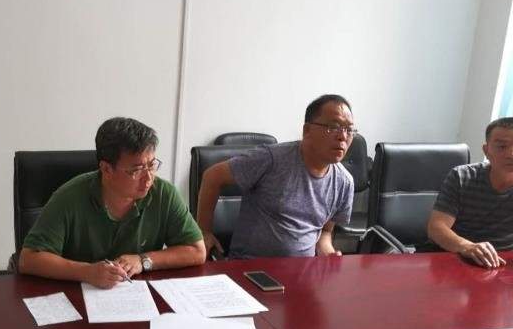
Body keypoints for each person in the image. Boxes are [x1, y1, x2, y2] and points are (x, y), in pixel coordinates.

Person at [18, 117, 206, 288]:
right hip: (78, 295)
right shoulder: (68, 197)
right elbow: (29, 259)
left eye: (151, 165)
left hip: (136, 295)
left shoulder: (164, 193)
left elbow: (197, 251)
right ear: (106, 169)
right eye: (137, 170)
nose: (148, 178)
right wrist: (87, 272)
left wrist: (143, 260)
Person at [196, 94, 355, 258]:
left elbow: (325, 232)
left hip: (303, 270)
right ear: (307, 130)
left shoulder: (344, 182)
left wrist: (328, 253)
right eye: (333, 127)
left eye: (349, 130)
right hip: (252, 266)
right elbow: (212, 176)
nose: (343, 136)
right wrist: (204, 232)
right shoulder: (271, 159)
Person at [427, 117, 513, 268]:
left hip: (502, 264)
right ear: (486, 151)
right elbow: (436, 228)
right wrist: (467, 246)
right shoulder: (462, 176)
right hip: (455, 257)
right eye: (501, 147)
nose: (510, 154)